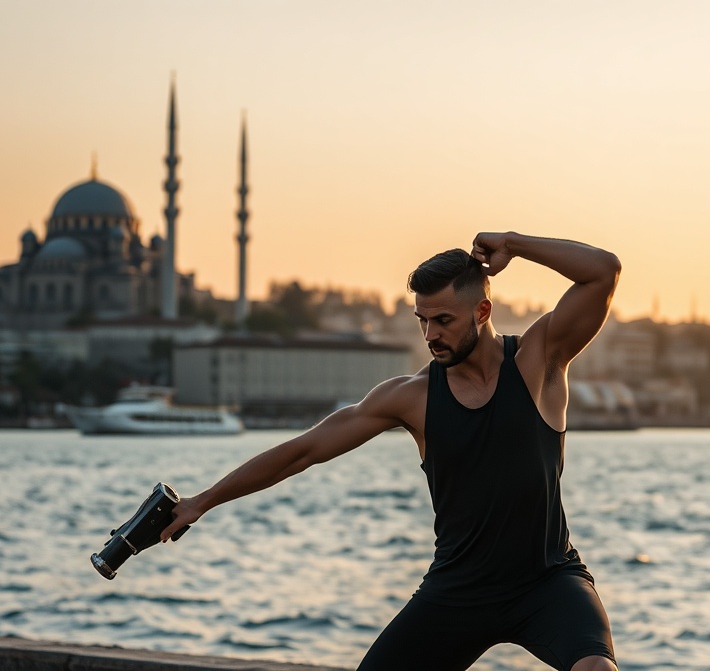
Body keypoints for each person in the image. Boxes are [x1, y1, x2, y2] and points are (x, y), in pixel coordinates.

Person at [160, 231, 622, 671]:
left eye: (443, 320)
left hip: (548, 580)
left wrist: (513, 245)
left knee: (596, 666)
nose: (430, 335)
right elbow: (304, 451)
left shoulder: (538, 359)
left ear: (482, 311)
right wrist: (203, 502)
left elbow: (603, 271)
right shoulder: (411, 396)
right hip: (458, 589)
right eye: (422, 320)